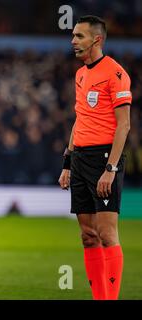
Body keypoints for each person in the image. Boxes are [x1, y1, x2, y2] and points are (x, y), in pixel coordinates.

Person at [58, 16, 131, 300]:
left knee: (106, 234)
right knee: (87, 235)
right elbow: (80, 119)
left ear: (96, 39)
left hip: (104, 158)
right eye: (73, 35)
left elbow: (123, 125)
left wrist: (110, 169)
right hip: (80, 159)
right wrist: (67, 162)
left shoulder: (115, 73)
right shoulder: (80, 74)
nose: (73, 41)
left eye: (79, 36)